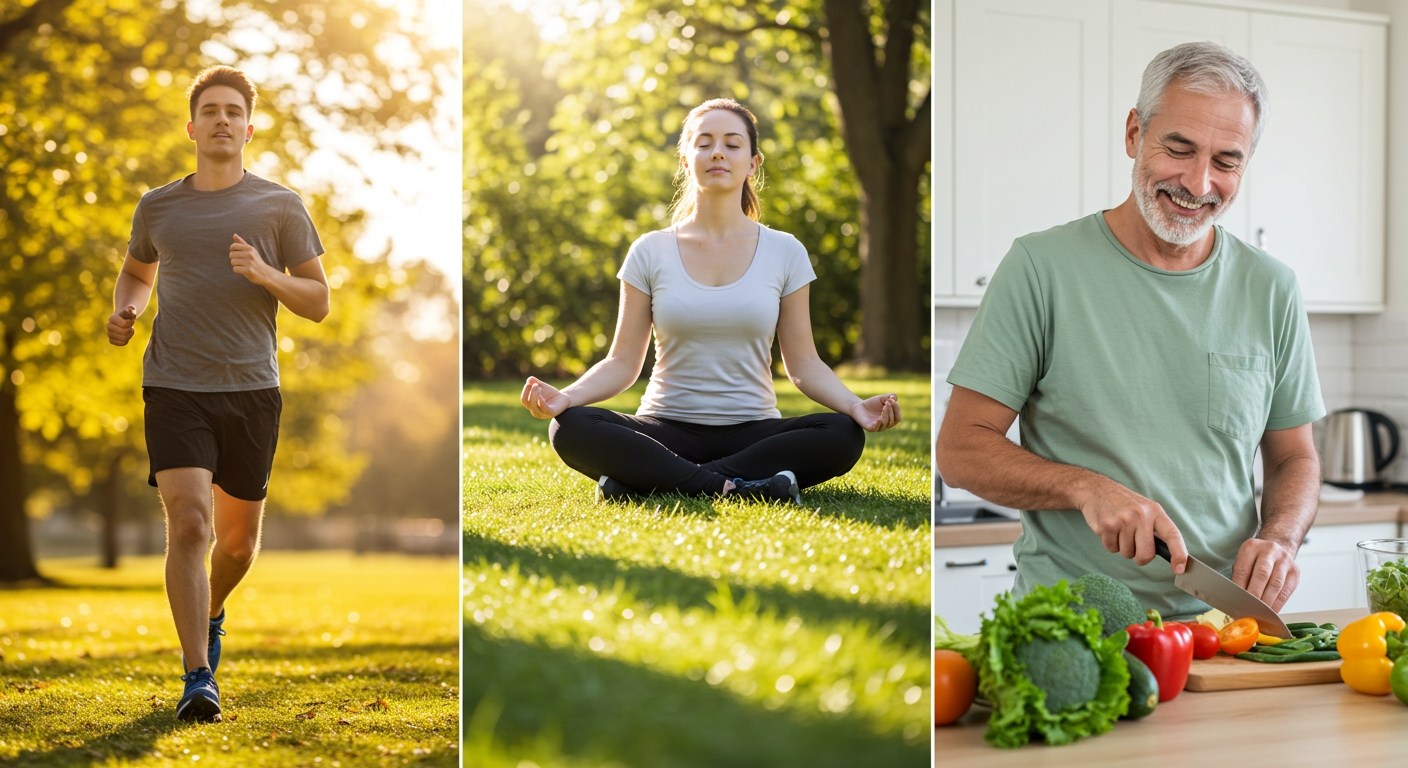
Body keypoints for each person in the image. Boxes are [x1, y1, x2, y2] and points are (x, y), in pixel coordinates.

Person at [935, 42, 1324, 620]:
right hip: (1068, 625)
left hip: (1224, 629)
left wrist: (1281, 538)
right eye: (1179, 148)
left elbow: (1295, 458)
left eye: (1226, 160)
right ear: (1134, 134)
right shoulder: (1042, 267)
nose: (1198, 182)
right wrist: (1086, 488)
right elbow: (961, 449)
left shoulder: (1272, 287)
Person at [520, 98, 900, 504]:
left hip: (753, 433)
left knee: (842, 434)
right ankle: (739, 487)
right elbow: (622, 363)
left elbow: (804, 364)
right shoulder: (649, 251)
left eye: (732, 144)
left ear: (753, 163)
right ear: (686, 160)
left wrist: (855, 407)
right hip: (664, 429)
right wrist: (568, 398)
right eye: (704, 143)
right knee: (570, 426)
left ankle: (653, 481)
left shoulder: (785, 251)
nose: (717, 151)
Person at [106, 66, 330, 722]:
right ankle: (197, 677)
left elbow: (318, 301)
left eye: (234, 111)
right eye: (211, 111)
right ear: (192, 126)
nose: (222, 120)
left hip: (253, 389)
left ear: (250, 128)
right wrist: (126, 311)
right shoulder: (158, 206)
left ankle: (210, 611)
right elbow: (136, 272)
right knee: (192, 523)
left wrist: (265, 273)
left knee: (235, 547)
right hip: (174, 384)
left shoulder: (280, 205)